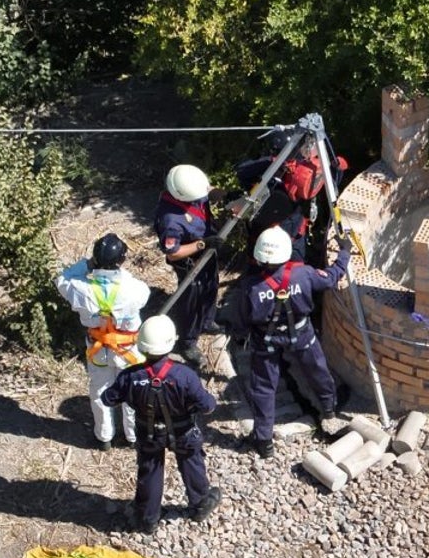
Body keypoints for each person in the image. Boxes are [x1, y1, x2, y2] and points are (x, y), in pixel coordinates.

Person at [228, 226, 350, 457]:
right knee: (317, 370)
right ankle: (328, 408)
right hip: (302, 334)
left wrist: (241, 336)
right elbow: (332, 278)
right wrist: (344, 253)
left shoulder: (251, 288)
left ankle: (264, 440)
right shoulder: (304, 274)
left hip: (266, 340)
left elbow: (241, 319)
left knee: (264, 387)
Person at [100, 315, 222, 534]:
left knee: (150, 469)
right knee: (191, 461)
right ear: (171, 342)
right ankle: (201, 503)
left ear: (142, 346)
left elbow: (108, 399)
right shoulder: (186, 375)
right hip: (183, 430)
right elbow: (208, 406)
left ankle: (147, 518)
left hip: (148, 432)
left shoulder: (130, 376)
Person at [54, 233, 150, 450]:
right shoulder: (133, 289)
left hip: (98, 350)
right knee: (131, 393)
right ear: (121, 261)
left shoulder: (80, 288)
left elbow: (61, 279)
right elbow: (144, 295)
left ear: (95, 259)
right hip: (128, 351)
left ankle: (104, 436)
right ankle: (133, 437)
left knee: (99, 392)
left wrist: (86, 264)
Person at [232, 130, 347, 267]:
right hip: (274, 235)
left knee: (284, 272)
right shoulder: (264, 171)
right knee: (270, 271)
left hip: (286, 235)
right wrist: (273, 163)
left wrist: (335, 169)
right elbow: (241, 170)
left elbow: (329, 183)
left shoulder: (300, 170)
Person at [154, 164, 225, 366]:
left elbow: (208, 190)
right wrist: (202, 244)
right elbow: (173, 253)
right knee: (192, 299)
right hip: (189, 261)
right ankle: (187, 342)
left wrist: (223, 195)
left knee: (211, 284)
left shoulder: (191, 184)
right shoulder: (171, 220)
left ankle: (208, 320)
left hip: (206, 250)